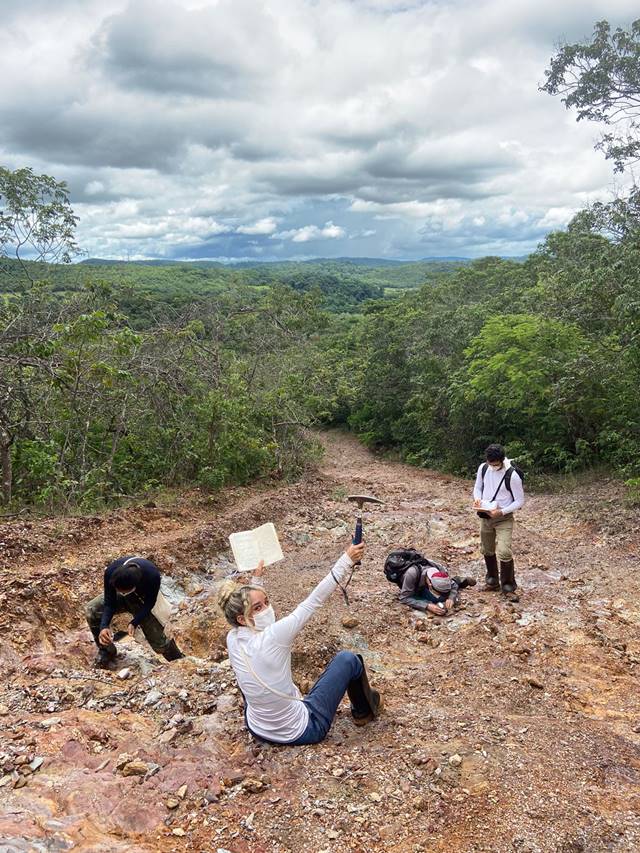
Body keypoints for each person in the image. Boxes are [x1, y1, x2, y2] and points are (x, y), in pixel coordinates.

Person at [218, 542, 381, 746]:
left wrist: (256, 579)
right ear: (242, 618)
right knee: (348, 660)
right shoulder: (275, 636)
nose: (268, 609)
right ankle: (364, 711)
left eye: (267, 602)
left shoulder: (233, 638)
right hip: (304, 730)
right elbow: (314, 600)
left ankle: (273, 715)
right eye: (259, 608)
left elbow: (251, 613)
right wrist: (347, 559)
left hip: (257, 727)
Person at [85, 555, 184, 667]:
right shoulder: (111, 573)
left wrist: (135, 622)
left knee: (159, 641)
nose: (119, 592)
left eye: (122, 591)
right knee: (92, 609)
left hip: (142, 600)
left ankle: (178, 661)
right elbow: (109, 602)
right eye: (117, 590)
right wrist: (104, 626)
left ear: (134, 586)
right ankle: (106, 650)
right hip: (126, 591)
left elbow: (149, 603)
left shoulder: (152, 575)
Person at [472, 443, 525, 595]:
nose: (492, 466)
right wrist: (477, 499)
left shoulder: (512, 475)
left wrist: (501, 512)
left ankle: (508, 586)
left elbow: (519, 501)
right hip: (485, 515)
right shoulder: (483, 468)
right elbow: (478, 487)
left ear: (502, 460)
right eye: (490, 463)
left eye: (495, 464)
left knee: (504, 551)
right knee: (487, 549)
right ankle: (492, 581)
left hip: (504, 518)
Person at [399, 563, 476, 614]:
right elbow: (404, 598)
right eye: (439, 592)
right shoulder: (411, 575)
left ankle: (458, 580)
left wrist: (451, 597)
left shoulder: (442, 571)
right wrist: (427, 605)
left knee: (445, 596)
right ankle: (458, 580)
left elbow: (452, 586)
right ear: (430, 584)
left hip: (426, 582)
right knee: (436, 599)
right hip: (414, 586)